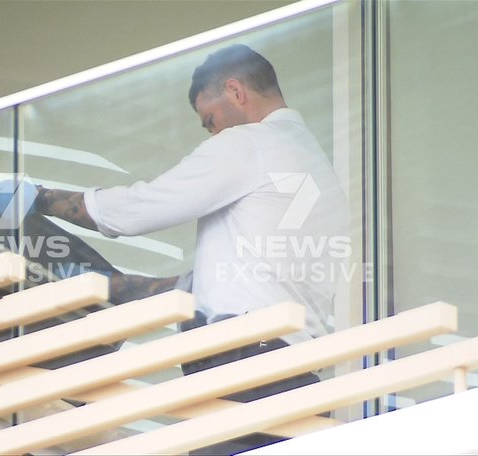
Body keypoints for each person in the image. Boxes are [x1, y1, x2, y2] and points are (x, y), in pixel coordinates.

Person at [36, 43, 349, 453]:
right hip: (295, 378)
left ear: (236, 91)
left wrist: (38, 198)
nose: (214, 132)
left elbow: (138, 209)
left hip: (244, 370)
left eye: (210, 120)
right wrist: (129, 288)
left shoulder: (250, 144)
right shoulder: (318, 168)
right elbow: (252, 280)